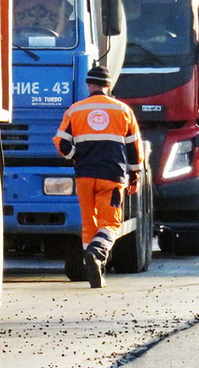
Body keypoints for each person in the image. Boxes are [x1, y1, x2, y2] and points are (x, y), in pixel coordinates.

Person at [54, 65, 144, 288]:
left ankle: (94, 270)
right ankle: (97, 253)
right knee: (111, 223)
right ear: (109, 85)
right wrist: (134, 174)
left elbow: (60, 142)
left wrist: (76, 156)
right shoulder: (123, 111)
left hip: (84, 176)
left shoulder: (75, 110)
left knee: (89, 223)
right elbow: (134, 149)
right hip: (111, 176)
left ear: (89, 85)